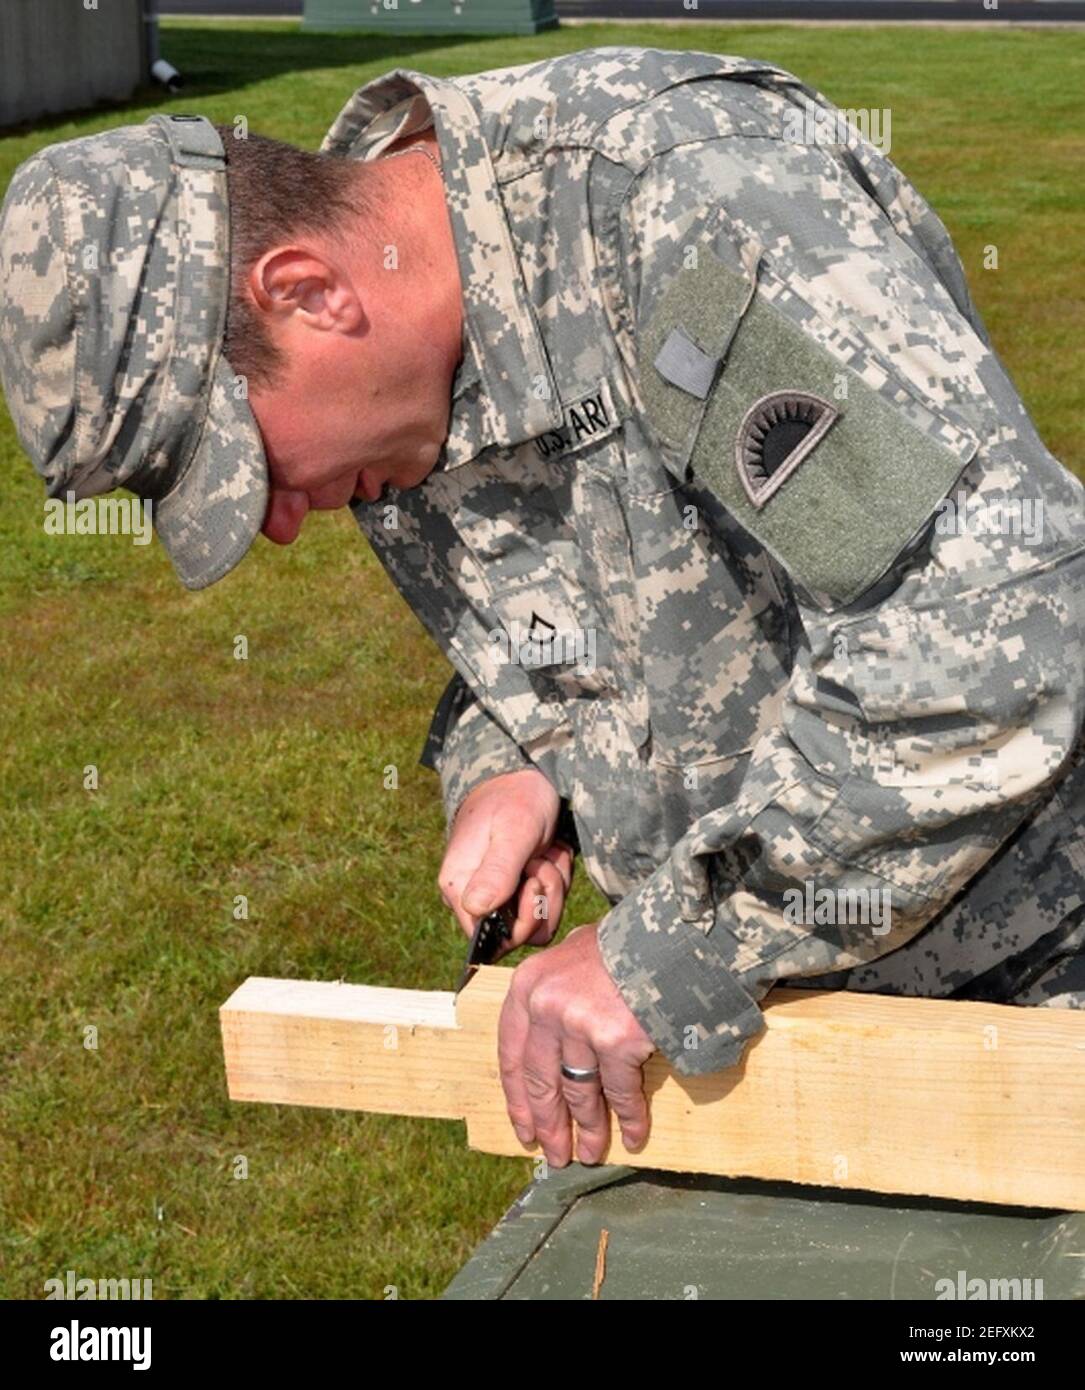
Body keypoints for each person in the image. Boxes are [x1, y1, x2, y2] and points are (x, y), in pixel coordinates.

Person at [2, 48, 1083, 1172]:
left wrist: (662, 951)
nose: (277, 521)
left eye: (246, 464)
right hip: (754, 1068)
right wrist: (519, 766)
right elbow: (592, 608)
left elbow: (986, 638)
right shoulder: (400, 352)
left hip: (1027, 1005)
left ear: (307, 292)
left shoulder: (680, 204)